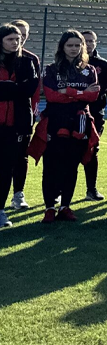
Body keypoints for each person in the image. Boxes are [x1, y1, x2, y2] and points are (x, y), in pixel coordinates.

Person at [34, 30, 100, 223]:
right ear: (62, 47)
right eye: (70, 45)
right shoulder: (51, 69)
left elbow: (93, 96)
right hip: (55, 122)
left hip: (80, 123)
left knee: (72, 166)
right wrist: (81, 92)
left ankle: (65, 206)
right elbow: (52, 96)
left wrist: (69, 91)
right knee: (52, 166)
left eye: (77, 45)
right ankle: (49, 207)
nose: (73, 49)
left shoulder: (90, 70)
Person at [0, 24, 39, 228]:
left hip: (15, 123)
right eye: (10, 39)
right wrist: (14, 88)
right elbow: (18, 89)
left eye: (18, 39)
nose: (16, 42)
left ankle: (1, 210)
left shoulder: (27, 61)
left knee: (6, 167)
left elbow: (29, 89)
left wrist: (8, 88)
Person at [80, 29, 107, 202]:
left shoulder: (103, 65)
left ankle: (91, 189)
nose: (89, 44)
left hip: (95, 114)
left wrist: (78, 92)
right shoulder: (70, 63)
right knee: (68, 151)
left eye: (92, 40)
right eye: (85, 40)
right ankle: (60, 191)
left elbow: (101, 90)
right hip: (72, 113)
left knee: (92, 150)